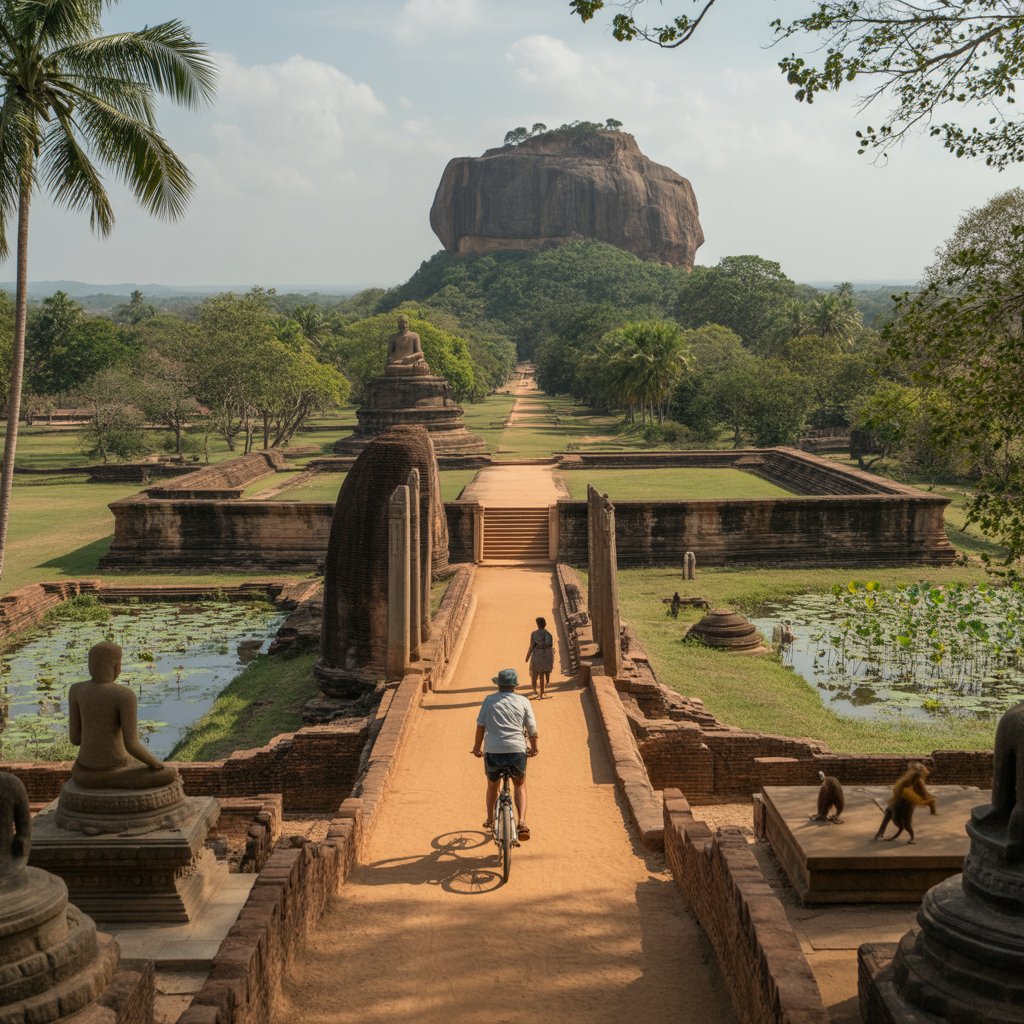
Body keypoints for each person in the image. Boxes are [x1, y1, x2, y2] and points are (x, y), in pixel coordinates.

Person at [472, 668, 538, 841]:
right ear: (515, 686)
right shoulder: (523, 701)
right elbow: (532, 728)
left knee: (493, 786)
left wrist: (477, 748)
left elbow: (481, 726)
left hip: (493, 750)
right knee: (520, 785)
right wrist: (535, 748)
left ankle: (490, 819)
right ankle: (522, 822)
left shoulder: (489, 700)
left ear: (499, 685)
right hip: (517, 750)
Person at [525, 616, 555, 698]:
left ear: (537, 625)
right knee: (543, 673)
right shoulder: (548, 634)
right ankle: (542, 692)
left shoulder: (534, 634)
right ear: (545, 624)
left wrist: (527, 657)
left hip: (537, 655)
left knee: (534, 673)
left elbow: (531, 646)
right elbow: (550, 644)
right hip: (546, 655)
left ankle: (535, 690)